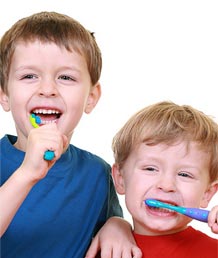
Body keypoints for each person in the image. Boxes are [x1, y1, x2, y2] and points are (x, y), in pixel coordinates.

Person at [0, 11, 142, 258]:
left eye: (65, 77)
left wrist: (118, 225)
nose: (47, 89)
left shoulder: (97, 173)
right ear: (4, 94)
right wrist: (27, 173)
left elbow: (116, 229)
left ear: (91, 98)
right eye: (29, 76)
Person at [111, 101, 218, 258]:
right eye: (150, 169)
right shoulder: (102, 248)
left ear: (206, 194)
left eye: (184, 174)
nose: (166, 185)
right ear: (120, 179)